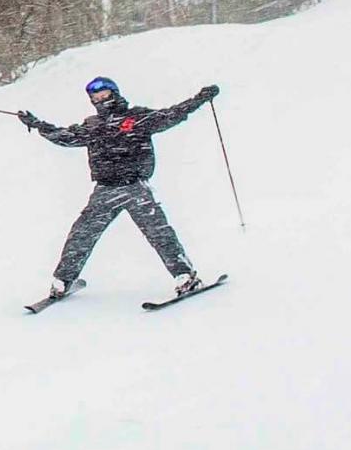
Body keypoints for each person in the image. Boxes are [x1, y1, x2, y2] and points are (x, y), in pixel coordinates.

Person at [21, 76, 219, 301]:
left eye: (104, 94)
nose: (100, 100)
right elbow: (65, 137)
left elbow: (172, 114)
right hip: (105, 191)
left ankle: (185, 277)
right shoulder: (92, 125)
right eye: (95, 97)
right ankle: (63, 281)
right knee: (82, 234)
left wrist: (200, 99)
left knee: (159, 233)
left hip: (135, 188)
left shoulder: (137, 117)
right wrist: (37, 124)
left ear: (114, 93)